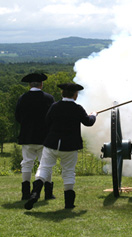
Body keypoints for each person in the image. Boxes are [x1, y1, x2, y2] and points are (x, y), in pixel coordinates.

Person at [24, 83, 97, 210]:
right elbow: (88, 122)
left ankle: (35, 193)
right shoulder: (78, 108)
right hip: (70, 146)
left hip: (52, 143)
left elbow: (47, 122)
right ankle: (69, 204)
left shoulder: (54, 106)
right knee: (68, 172)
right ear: (75, 95)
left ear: (62, 93)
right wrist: (94, 115)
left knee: (44, 168)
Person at [15, 73, 56, 201]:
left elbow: (17, 116)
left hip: (27, 136)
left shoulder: (23, 98)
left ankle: (25, 193)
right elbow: (52, 118)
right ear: (41, 84)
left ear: (29, 84)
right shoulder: (49, 98)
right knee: (45, 165)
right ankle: (48, 194)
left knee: (27, 164)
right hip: (45, 137)